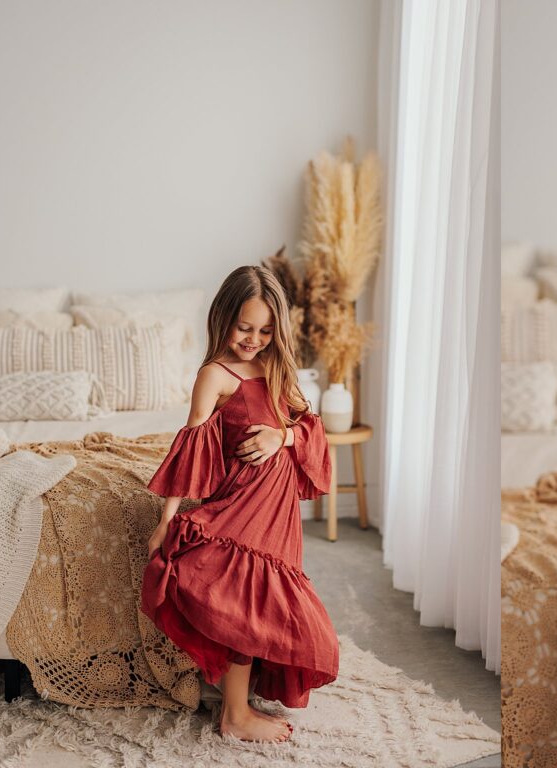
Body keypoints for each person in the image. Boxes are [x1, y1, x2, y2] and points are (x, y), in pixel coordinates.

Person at [140, 265, 338, 743]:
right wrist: (167, 520)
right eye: (244, 327)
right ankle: (235, 715)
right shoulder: (215, 375)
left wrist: (281, 436)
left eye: (265, 330)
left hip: (277, 513)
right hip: (241, 507)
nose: (253, 339)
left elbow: (311, 429)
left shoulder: (277, 369)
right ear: (223, 319)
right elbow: (188, 449)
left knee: (265, 607)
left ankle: (239, 701)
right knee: (242, 603)